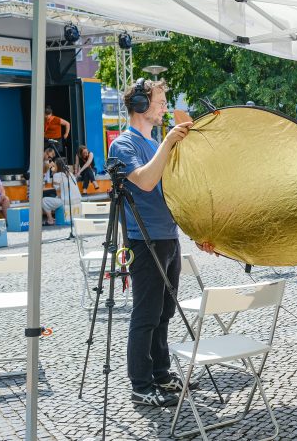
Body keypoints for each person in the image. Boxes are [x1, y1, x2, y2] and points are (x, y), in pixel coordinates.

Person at [108, 78, 216, 407]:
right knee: (146, 315)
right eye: (159, 101)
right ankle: (140, 385)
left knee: (165, 312)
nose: (164, 108)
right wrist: (168, 141)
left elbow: (174, 192)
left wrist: (196, 230)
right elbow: (145, 180)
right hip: (144, 241)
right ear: (140, 105)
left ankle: (162, 374)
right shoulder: (123, 145)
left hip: (168, 237)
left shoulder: (155, 143)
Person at [43, 157, 82, 223]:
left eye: (54, 164)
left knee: (43, 200)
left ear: (58, 165)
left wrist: (53, 172)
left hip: (65, 201)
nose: (53, 166)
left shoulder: (57, 175)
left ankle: (50, 220)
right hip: (77, 200)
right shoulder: (71, 174)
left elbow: (58, 193)